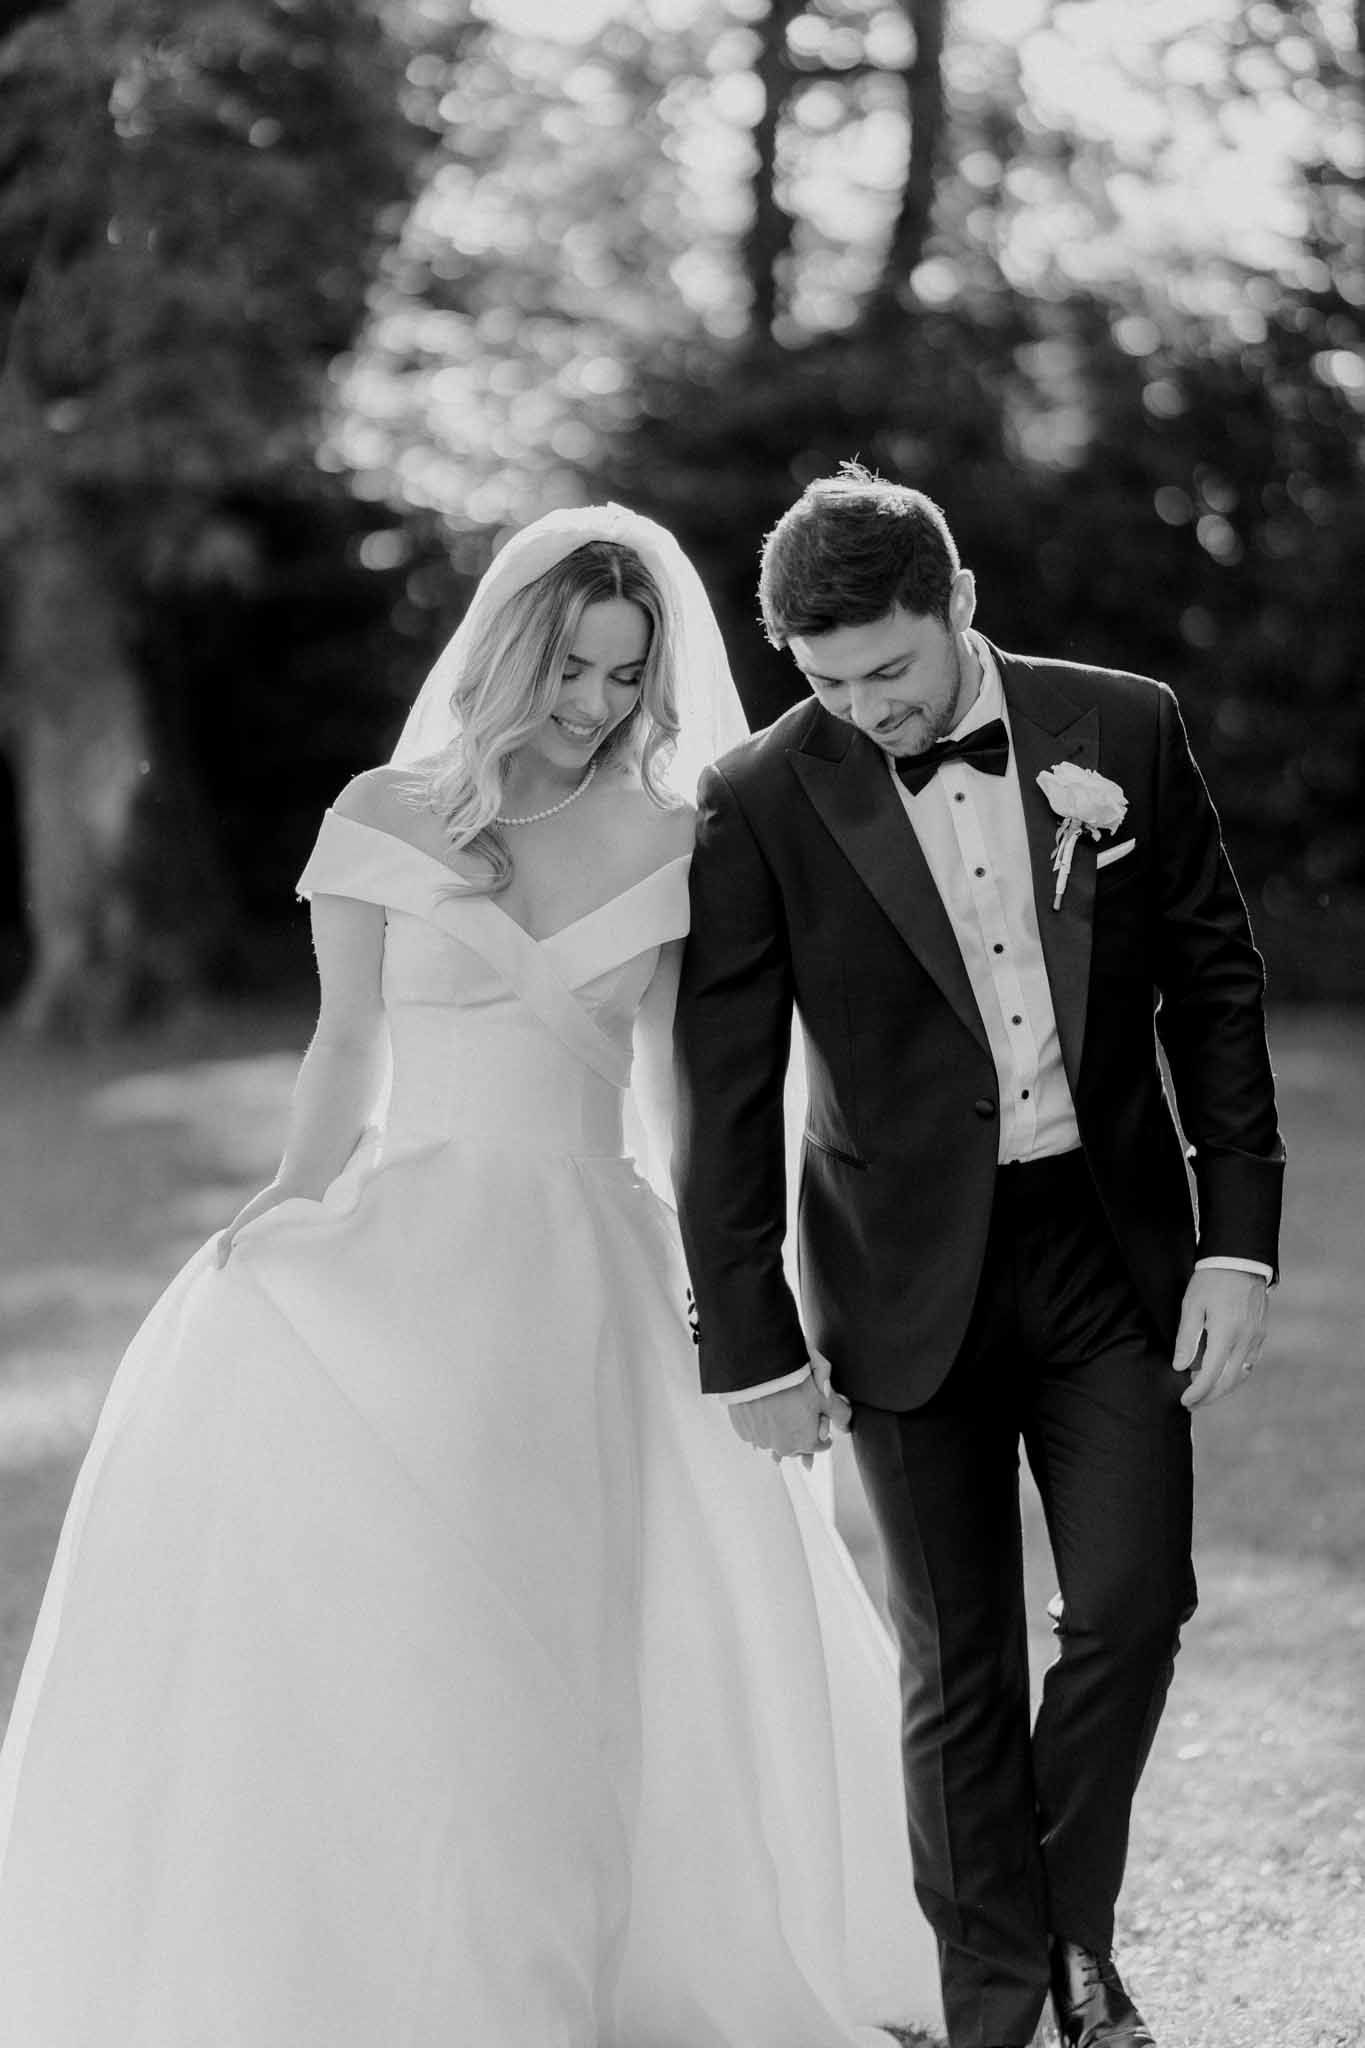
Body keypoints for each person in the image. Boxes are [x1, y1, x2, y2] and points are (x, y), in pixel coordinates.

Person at [0, 505, 943, 2046]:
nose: (593, 706)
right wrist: (293, 1204)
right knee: (423, 1610)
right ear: (509, 651)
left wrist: (737, 1288)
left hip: (591, 1255)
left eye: (626, 679)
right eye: (571, 668)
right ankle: (421, 1952)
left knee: (599, 1616)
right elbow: (346, 1045)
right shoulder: (381, 812)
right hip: (415, 1245)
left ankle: (594, 1948)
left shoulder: (675, 828)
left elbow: (692, 1092)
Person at [673, 465, 1285, 2048]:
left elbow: (1214, 988)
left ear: (955, 612)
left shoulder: (1121, 725)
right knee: (959, 1665)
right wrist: (747, 1340)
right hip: (892, 1270)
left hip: (1110, 1252)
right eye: (823, 681)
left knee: (1136, 1606)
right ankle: (1015, 2010)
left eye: (888, 668)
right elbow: (726, 1095)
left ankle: (1057, 1926)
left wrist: (1240, 1247)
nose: (864, 706)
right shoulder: (756, 796)